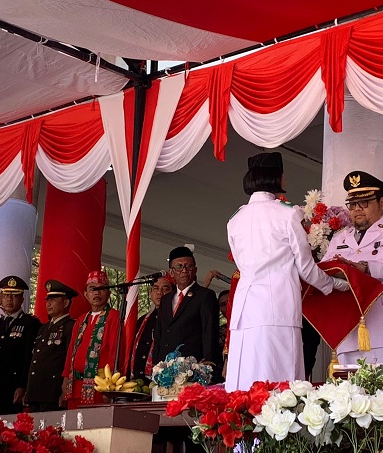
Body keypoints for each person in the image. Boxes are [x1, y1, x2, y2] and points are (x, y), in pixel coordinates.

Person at [226, 152, 346, 391]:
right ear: (275, 177)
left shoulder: (235, 219)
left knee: (246, 382)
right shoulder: (288, 214)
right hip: (277, 306)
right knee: (281, 385)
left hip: (245, 309)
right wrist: (336, 284)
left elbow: (241, 265)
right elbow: (306, 268)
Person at [322, 170, 383, 365]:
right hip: (348, 329)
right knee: (348, 392)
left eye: (364, 203)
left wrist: (365, 268)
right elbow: (323, 271)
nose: (357, 209)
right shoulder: (340, 237)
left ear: (382, 203)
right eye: (352, 204)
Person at [0, 275, 41, 415]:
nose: (9, 299)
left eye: (14, 296)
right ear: (1, 299)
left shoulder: (30, 324)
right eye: (6, 295)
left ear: (22, 299)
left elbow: (29, 357)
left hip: (12, 388)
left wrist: (23, 386)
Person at [153, 246, 221, 381]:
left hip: (192, 368)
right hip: (165, 368)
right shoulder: (166, 299)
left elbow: (210, 330)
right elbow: (160, 332)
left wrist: (208, 361)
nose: (184, 270)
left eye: (188, 266)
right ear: (171, 272)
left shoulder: (205, 295)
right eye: (179, 266)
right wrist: (156, 362)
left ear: (195, 270)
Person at [62, 271, 120, 408]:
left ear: (108, 293)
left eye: (101, 289)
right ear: (86, 294)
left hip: (99, 386)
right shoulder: (81, 320)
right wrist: (64, 381)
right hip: (75, 385)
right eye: (92, 289)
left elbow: (114, 352)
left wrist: (110, 386)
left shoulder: (113, 317)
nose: (97, 293)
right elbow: (71, 352)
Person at [24, 279, 77, 412]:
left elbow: (71, 360)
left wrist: (65, 390)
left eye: (53, 299)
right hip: (36, 391)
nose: (48, 303)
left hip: (52, 393)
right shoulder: (44, 328)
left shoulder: (70, 326)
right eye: (48, 300)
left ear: (65, 302)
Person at [129, 274, 174, 382]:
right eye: (156, 288)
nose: (160, 293)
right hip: (137, 379)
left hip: (162, 379)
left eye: (165, 289)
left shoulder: (175, 319)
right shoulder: (143, 320)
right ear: (150, 293)